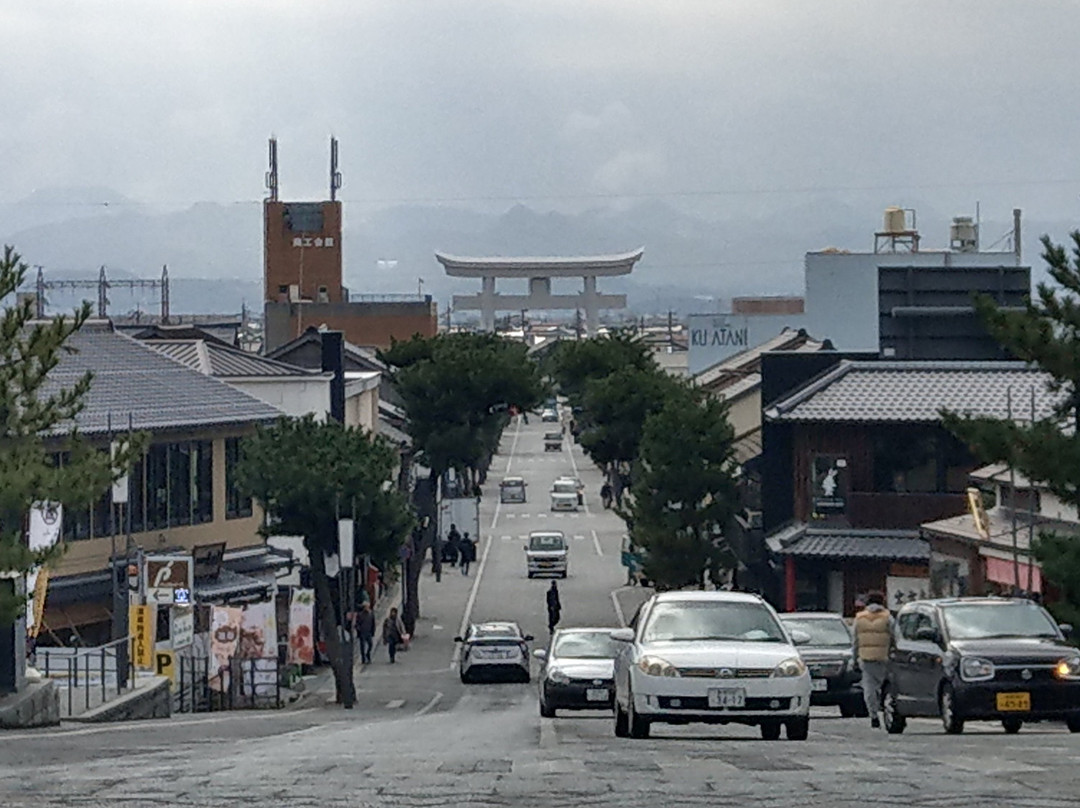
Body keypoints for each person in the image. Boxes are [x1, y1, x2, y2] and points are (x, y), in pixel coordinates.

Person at [853, 590, 893, 728]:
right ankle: (888, 711)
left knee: (869, 688)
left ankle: (873, 715)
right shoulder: (888, 617)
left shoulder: (859, 618)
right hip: (885, 657)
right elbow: (895, 636)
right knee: (887, 685)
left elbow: (855, 641)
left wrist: (854, 658)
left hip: (866, 657)